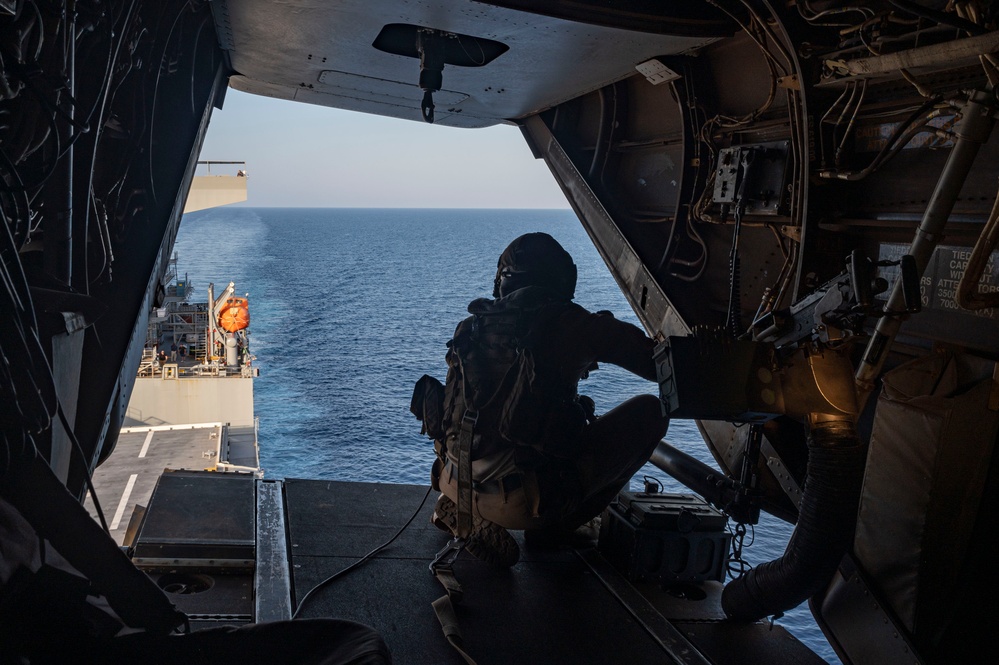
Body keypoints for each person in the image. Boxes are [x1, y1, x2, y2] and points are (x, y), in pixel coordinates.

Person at [420, 233, 670, 566]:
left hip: (451, 479)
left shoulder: (470, 327)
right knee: (652, 412)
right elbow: (659, 366)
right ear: (561, 281)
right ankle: (555, 531)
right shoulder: (574, 324)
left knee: (578, 412)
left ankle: (462, 507)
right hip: (523, 504)